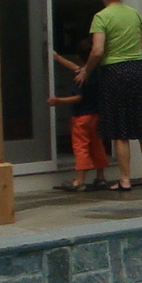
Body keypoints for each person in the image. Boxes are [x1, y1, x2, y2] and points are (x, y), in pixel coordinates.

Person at [77, 0, 142, 191]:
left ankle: (124, 179)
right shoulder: (134, 14)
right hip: (138, 69)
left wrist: (87, 69)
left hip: (115, 72)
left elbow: (97, 50)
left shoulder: (101, 17)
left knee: (120, 130)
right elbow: (140, 43)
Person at [48, 48, 107, 191]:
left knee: (81, 147)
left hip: (81, 117)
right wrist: (57, 58)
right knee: (97, 145)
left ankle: (79, 181)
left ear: (80, 58)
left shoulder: (80, 77)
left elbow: (78, 97)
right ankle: (100, 177)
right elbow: (74, 67)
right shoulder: (96, 73)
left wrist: (58, 101)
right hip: (95, 116)